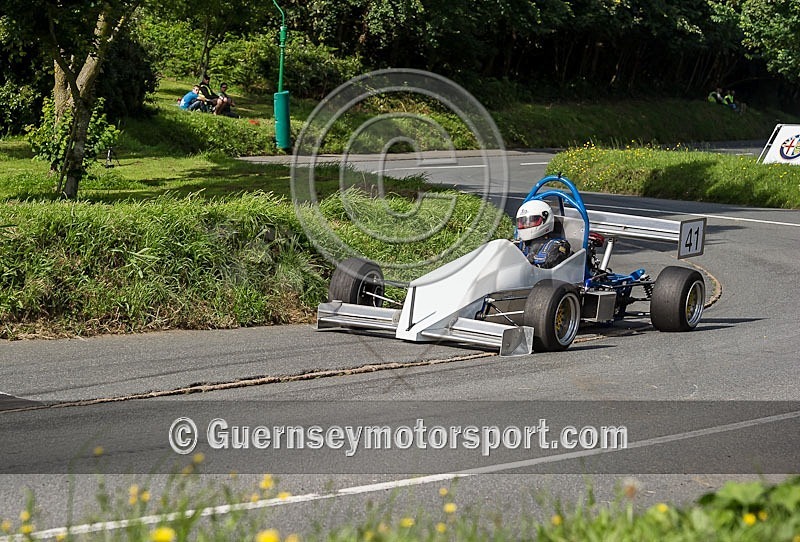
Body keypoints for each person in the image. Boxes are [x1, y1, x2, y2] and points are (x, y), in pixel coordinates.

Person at [515, 200, 571, 268]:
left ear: (545, 219)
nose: (526, 225)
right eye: (523, 222)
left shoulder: (558, 246)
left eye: (531, 220)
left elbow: (549, 263)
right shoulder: (520, 244)